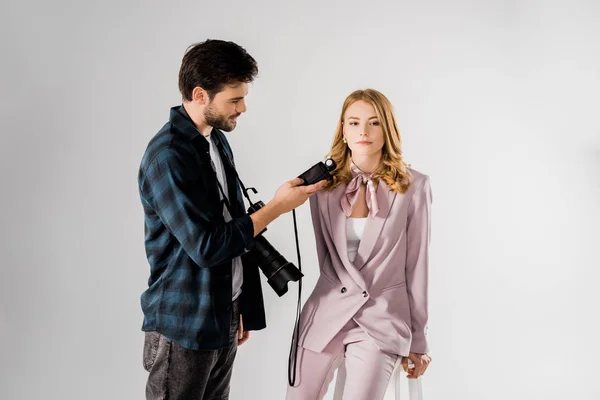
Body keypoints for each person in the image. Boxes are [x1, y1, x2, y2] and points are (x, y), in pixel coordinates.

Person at [137, 39, 326, 400]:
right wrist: (277, 207)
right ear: (200, 94)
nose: (242, 108)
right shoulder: (168, 156)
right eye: (234, 99)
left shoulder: (215, 140)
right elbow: (206, 247)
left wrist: (237, 306)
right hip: (184, 326)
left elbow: (232, 224)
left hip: (219, 316)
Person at [286, 89, 433, 400]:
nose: (363, 132)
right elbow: (326, 259)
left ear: (388, 129)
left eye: (374, 123)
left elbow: (417, 267)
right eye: (353, 123)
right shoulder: (323, 186)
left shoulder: (415, 186)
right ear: (343, 129)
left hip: (380, 320)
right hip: (325, 314)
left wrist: (418, 341)